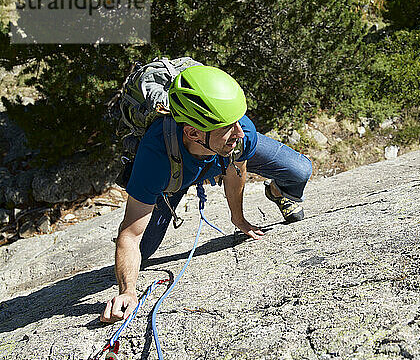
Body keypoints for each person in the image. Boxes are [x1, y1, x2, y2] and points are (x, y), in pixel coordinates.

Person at [100, 65, 312, 323]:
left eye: (237, 122)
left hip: (210, 153)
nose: (240, 132)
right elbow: (130, 235)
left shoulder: (236, 130)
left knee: (300, 170)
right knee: (143, 250)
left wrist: (239, 218)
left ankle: (279, 192)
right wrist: (128, 292)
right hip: (174, 175)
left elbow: (237, 168)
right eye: (227, 127)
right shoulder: (154, 158)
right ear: (192, 131)